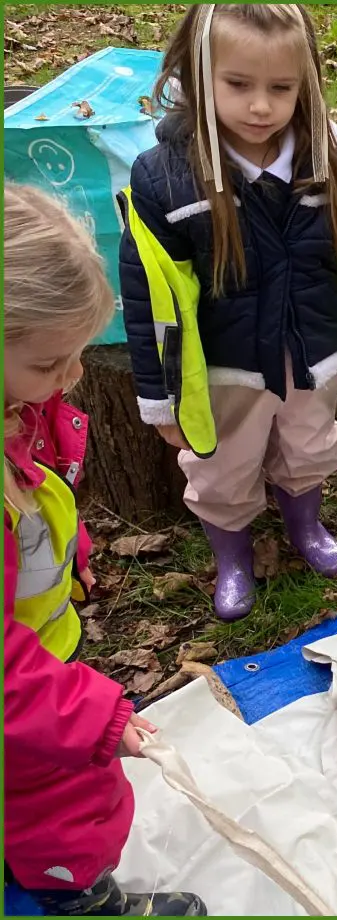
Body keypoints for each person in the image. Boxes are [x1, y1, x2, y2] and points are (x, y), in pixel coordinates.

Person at [120, 4, 337, 620]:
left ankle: (304, 527)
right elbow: (147, 293)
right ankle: (232, 555)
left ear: (304, 85)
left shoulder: (327, 160)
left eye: (281, 89)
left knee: (309, 446)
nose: (261, 106)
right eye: (238, 85)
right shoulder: (167, 178)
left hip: (313, 351)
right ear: (196, 75)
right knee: (224, 466)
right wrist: (161, 397)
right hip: (229, 366)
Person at [3, 184, 206, 916]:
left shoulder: (16, 408)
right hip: (24, 691)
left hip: (35, 663)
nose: (75, 377)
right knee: (64, 803)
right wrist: (98, 717)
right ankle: (85, 899)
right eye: (53, 361)